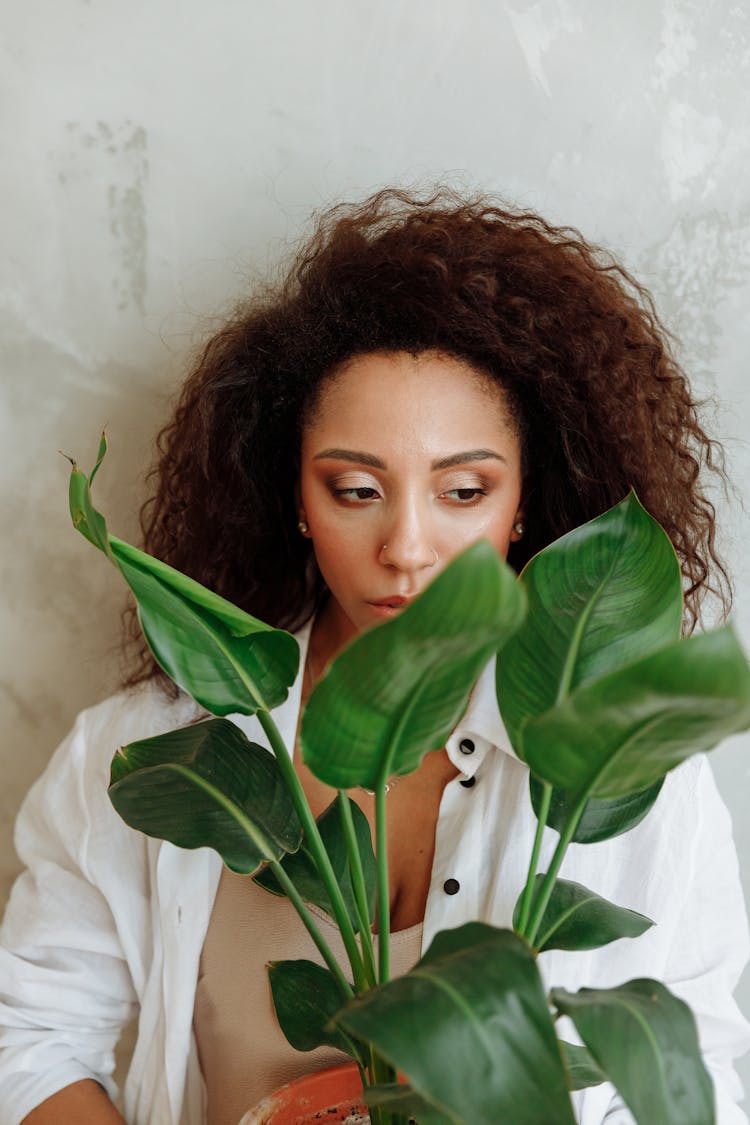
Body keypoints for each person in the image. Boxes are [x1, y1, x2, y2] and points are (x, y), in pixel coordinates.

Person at [0, 186, 748, 1125]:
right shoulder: (155, 751)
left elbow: (700, 1083)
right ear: (296, 500)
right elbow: (27, 1038)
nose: (407, 546)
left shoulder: (623, 766)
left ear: (523, 504)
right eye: (356, 489)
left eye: (463, 490)